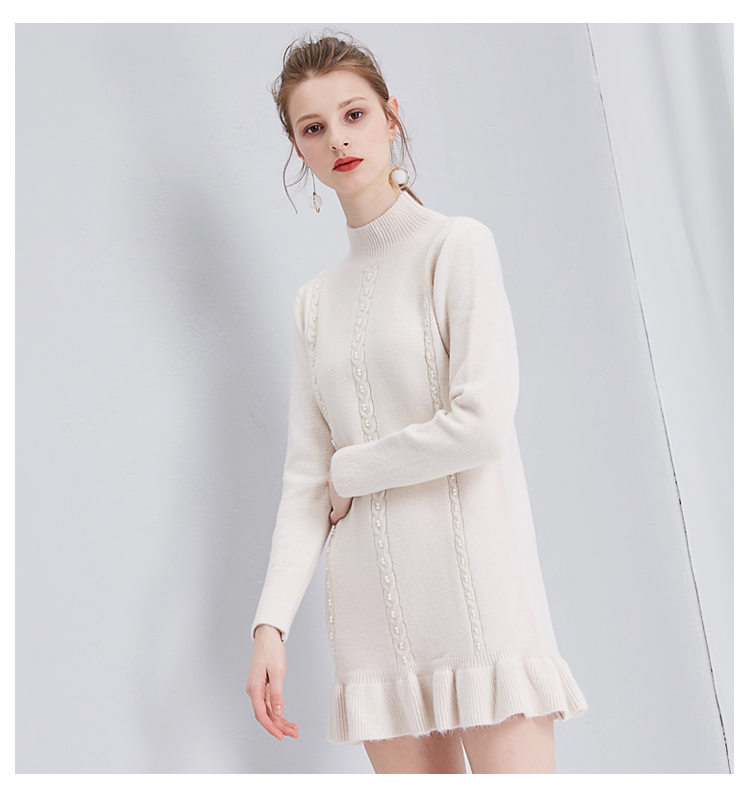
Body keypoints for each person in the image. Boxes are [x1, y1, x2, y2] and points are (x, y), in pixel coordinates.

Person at [245, 30, 588, 774]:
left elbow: (481, 425)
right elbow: (307, 479)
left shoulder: (456, 247)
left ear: (391, 115)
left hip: (481, 602)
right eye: (314, 128)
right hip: (372, 620)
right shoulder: (313, 305)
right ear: (298, 149)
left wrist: (352, 469)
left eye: (354, 115)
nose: (339, 139)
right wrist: (270, 625)